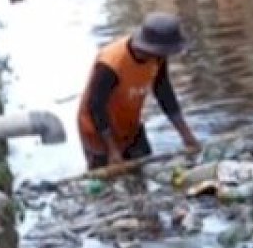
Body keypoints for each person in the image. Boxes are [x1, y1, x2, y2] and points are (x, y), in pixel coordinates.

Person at [77, 12, 202, 170]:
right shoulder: (111, 63)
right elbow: (95, 106)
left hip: (129, 126)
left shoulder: (157, 58)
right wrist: (113, 150)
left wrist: (186, 135)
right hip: (98, 132)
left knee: (142, 175)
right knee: (111, 184)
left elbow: (164, 92)